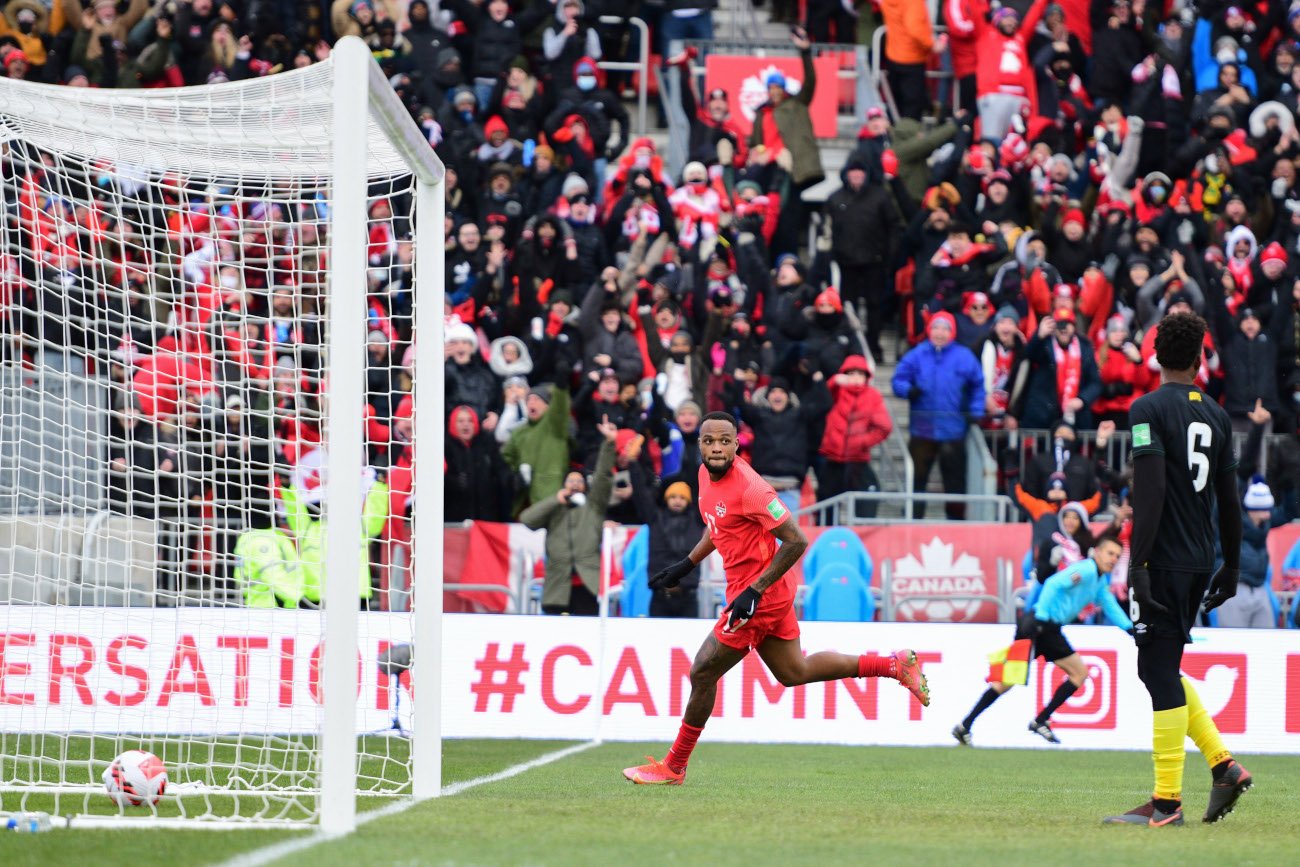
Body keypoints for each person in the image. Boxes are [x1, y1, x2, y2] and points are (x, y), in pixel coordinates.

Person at [621, 412, 930, 785]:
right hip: (762, 592)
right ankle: (894, 666)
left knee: (702, 672)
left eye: (724, 441)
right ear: (699, 444)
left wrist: (755, 590)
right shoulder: (704, 475)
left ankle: (674, 766)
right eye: (709, 441)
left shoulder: (753, 489)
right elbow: (719, 526)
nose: (716, 448)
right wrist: (687, 564)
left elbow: (797, 540)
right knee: (793, 672)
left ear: (737, 445)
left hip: (760, 597)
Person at [1104, 312, 1253, 827]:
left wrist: (1138, 562)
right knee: (1162, 668)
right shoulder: (1217, 415)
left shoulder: (1146, 408)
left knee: (1156, 671)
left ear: (1155, 355)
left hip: (1162, 559)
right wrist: (1230, 567)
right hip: (1199, 560)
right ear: (1199, 359)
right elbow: (1229, 501)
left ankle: (1167, 803)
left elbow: (1150, 490)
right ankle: (1223, 766)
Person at [953, 534, 1130, 747]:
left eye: (1117, 556)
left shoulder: (1099, 581)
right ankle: (1039, 720)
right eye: (1110, 553)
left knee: (1008, 681)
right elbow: (1053, 584)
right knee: (1078, 673)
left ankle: (965, 726)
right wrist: (1042, 617)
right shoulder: (1086, 570)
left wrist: (1129, 627)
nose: (1113, 559)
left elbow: (1110, 604)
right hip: (1041, 626)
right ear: (1098, 552)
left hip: (1042, 627)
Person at [891, 312, 986, 519]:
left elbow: (978, 386)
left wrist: (976, 411)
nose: (940, 333)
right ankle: (913, 519)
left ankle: (956, 522)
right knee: (917, 479)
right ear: (929, 330)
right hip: (922, 429)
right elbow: (898, 380)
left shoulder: (964, 356)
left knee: (954, 482)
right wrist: (908, 390)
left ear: (952, 332)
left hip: (953, 431)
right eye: (936, 328)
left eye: (945, 329)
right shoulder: (917, 354)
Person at [519, 416, 617, 616]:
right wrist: (555, 500)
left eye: (579, 481)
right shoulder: (554, 508)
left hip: (587, 586)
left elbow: (603, 477)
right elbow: (527, 520)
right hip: (557, 587)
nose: (575, 484)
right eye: (570, 481)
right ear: (563, 486)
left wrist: (609, 443)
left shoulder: (593, 506)